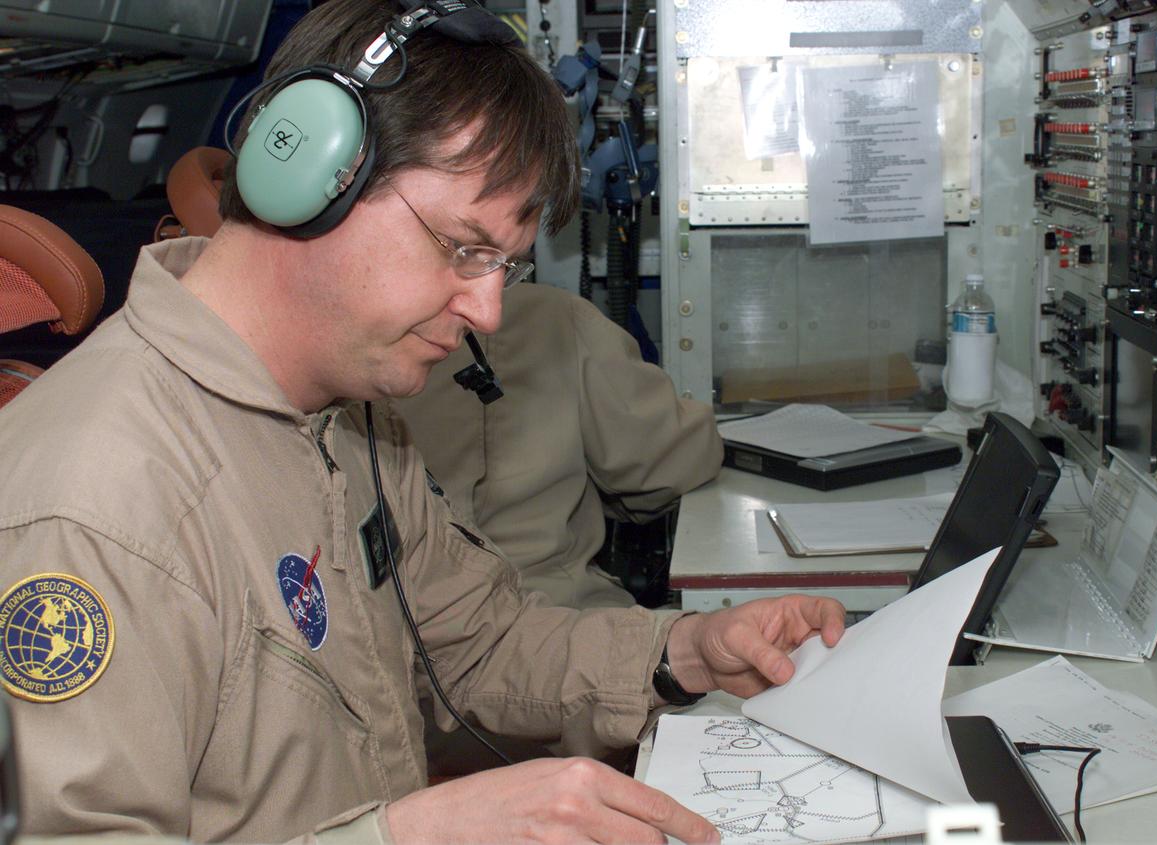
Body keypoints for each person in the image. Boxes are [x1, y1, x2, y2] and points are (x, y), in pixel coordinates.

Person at [0, 2, 845, 843]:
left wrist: (687, 651)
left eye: (504, 268)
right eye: (463, 248)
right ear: (311, 181)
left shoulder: (352, 415)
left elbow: (478, 644)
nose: (489, 311)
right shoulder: (92, 507)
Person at [396, 282, 723, 609]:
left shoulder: (362, 359)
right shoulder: (547, 315)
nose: (487, 313)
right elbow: (670, 464)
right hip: (557, 615)